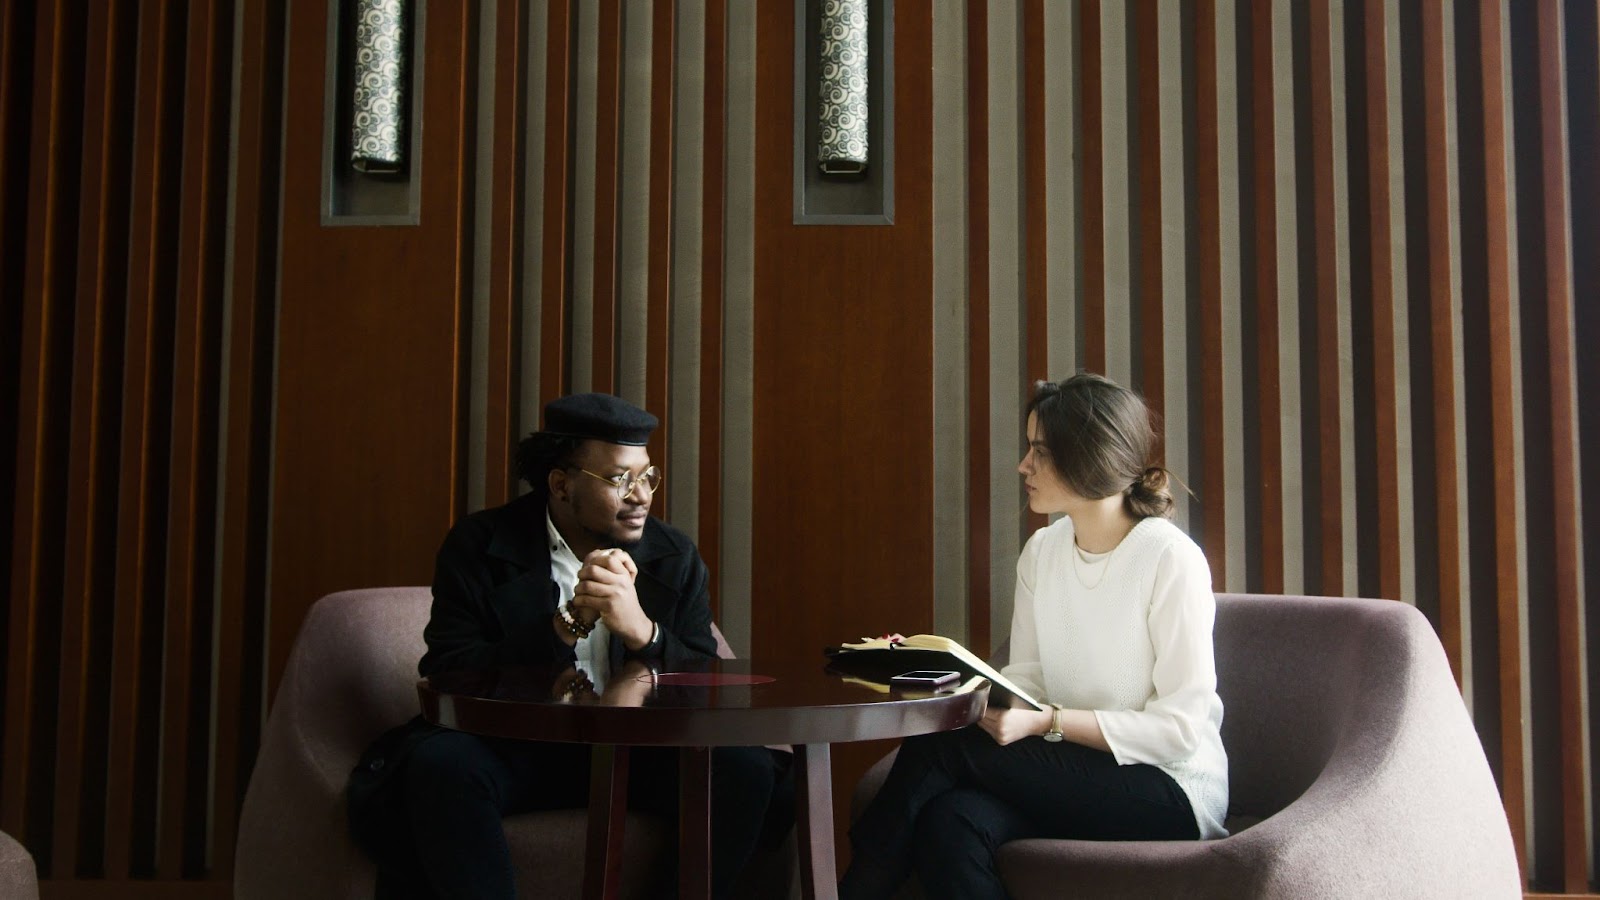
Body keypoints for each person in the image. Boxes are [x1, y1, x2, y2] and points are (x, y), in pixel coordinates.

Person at [347, 392, 793, 899]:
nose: (641, 495)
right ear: (561, 483)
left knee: (747, 771)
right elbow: (451, 670)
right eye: (620, 479)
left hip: (638, 751)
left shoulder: (673, 555)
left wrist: (643, 633)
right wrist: (564, 625)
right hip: (516, 747)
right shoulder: (479, 544)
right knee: (440, 766)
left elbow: (705, 680)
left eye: (647, 476)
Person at [839, 373, 1229, 900]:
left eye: (1041, 451)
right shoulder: (1043, 553)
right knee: (949, 821)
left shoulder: (1169, 558)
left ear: (1091, 457)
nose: (1024, 465)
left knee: (945, 750)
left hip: (1170, 787)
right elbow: (1027, 679)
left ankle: (847, 886)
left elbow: (1179, 730)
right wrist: (952, 680)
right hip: (1070, 770)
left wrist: (1046, 721)